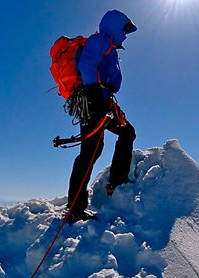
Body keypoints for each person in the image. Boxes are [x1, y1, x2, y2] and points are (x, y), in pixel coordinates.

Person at [67, 10, 137, 222]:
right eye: (124, 30)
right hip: (93, 102)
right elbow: (87, 64)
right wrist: (94, 94)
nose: (126, 35)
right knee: (90, 153)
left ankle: (116, 181)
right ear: (114, 26)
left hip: (102, 101)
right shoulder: (101, 40)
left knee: (125, 133)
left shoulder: (110, 47)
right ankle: (75, 209)